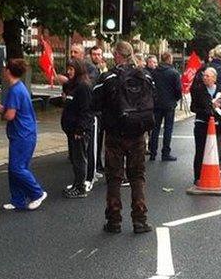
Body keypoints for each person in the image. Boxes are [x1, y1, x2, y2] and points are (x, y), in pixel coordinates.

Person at [93, 40, 154, 234]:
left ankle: (114, 220)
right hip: (137, 133)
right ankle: (140, 220)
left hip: (115, 134)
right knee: (137, 177)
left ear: (118, 55)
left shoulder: (108, 78)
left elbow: (95, 103)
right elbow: (155, 100)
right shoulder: (145, 76)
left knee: (114, 178)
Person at [0, 59, 47, 211]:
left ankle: (37, 193)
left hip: (22, 135)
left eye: (5, 69)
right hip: (25, 133)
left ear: (8, 72)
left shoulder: (14, 90)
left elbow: (9, 116)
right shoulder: (19, 87)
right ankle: (17, 200)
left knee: (17, 168)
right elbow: (9, 111)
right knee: (16, 169)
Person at [60, 59, 94, 198]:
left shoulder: (83, 87)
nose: (68, 72)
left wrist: (81, 129)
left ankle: (80, 188)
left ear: (78, 70)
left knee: (79, 159)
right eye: (68, 69)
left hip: (78, 131)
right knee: (75, 159)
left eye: (72, 69)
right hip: (71, 129)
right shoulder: (72, 86)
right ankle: (76, 184)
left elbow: (86, 110)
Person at [191, 67, 221, 183]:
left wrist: (220, 106)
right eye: (204, 76)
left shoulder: (220, 89)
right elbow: (193, 107)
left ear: (214, 78)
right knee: (200, 150)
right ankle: (198, 177)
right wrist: (207, 110)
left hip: (217, 124)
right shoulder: (198, 89)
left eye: (207, 76)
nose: (205, 78)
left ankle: (215, 175)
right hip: (202, 123)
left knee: (216, 151)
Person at [149, 51, 182, 161]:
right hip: (169, 104)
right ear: (169, 59)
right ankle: (165, 153)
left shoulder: (154, 72)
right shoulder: (174, 73)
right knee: (168, 129)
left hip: (156, 104)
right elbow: (178, 90)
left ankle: (152, 152)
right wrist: (175, 99)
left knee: (155, 129)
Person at [89, 45, 109, 173]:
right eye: (94, 54)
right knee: (95, 140)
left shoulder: (101, 69)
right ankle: (94, 166)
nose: (96, 56)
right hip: (94, 109)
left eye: (99, 54)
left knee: (99, 139)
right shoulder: (91, 70)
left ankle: (98, 163)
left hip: (101, 109)